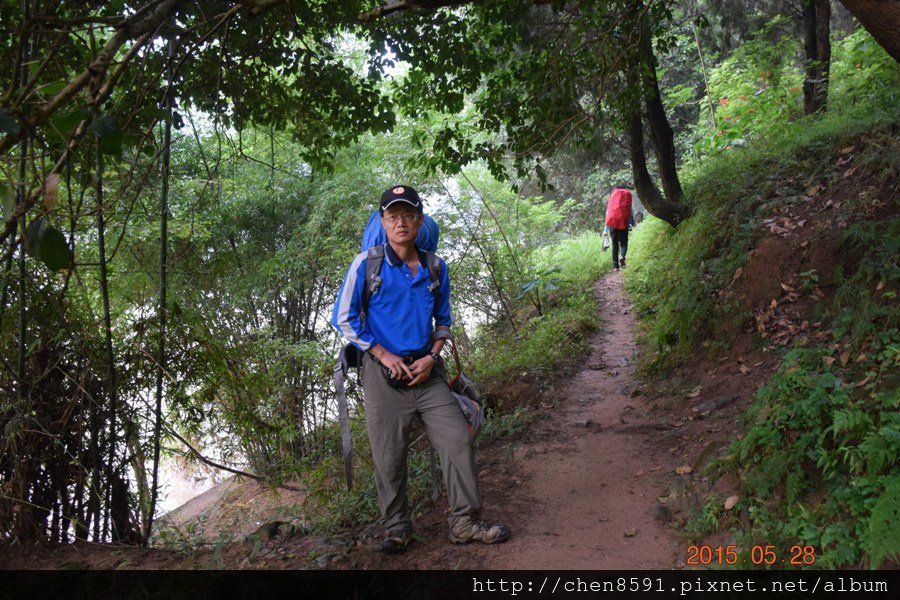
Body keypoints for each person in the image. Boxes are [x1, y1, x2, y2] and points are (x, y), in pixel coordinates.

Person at [332, 185, 510, 553]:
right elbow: (345, 319)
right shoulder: (367, 264)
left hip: (428, 373)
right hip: (383, 376)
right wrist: (383, 355)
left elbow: (444, 321)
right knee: (388, 456)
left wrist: (433, 355)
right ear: (383, 222)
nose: (401, 223)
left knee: (457, 440)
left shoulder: (434, 266)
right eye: (393, 216)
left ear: (420, 220)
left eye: (409, 215)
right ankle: (397, 528)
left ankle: (464, 522)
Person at [603, 185, 634, 271]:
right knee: (623, 243)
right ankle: (622, 256)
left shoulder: (613, 197)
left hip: (612, 222)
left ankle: (615, 267)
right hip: (623, 222)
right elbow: (630, 212)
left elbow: (608, 213)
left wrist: (605, 229)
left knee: (615, 244)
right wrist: (632, 223)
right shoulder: (627, 195)